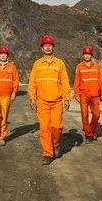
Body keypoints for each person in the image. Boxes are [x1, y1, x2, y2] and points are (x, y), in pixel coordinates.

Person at [29, 35, 71, 165]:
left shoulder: (59, 63)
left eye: (49, 45)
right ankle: (47, 153)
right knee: (44, 128)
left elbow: (64, 81)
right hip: (42, 102)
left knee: (56, 127)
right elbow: (32, 83)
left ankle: (56, 144)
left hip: (57, 101)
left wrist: (67, 98)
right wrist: (32, 98)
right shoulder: (37, 64)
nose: (47, 47)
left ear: (53, 47)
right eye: (45, 45)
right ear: (42, 48)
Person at [73, 45, 102, 142]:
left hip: (95, 94)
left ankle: (91, 130)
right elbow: (77, 81)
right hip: (84, 95)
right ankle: (88, 134)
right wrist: (76, 93)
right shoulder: (79, 66)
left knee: (97, 114)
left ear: (91, 55)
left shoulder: (96, 66)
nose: (87, 56)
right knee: (84, 115)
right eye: (85, 54)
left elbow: (100, 80)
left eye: (88, 54)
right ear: (83, 55)